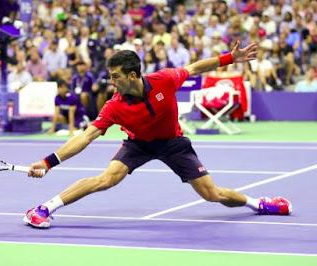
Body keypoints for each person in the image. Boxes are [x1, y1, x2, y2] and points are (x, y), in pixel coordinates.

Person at [24, 41, 292, 228]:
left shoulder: (164, 79)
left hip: (174, 144)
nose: (112, 82)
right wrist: (48, 162)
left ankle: (260, 204)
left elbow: (196, 67)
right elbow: (85, 136)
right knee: (107, 178)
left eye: (116, 77)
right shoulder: (114, 106)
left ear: (132, 75)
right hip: (138, 144)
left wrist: (230, 58)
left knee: (212, 194)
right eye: (110, 76)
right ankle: (44, 208)